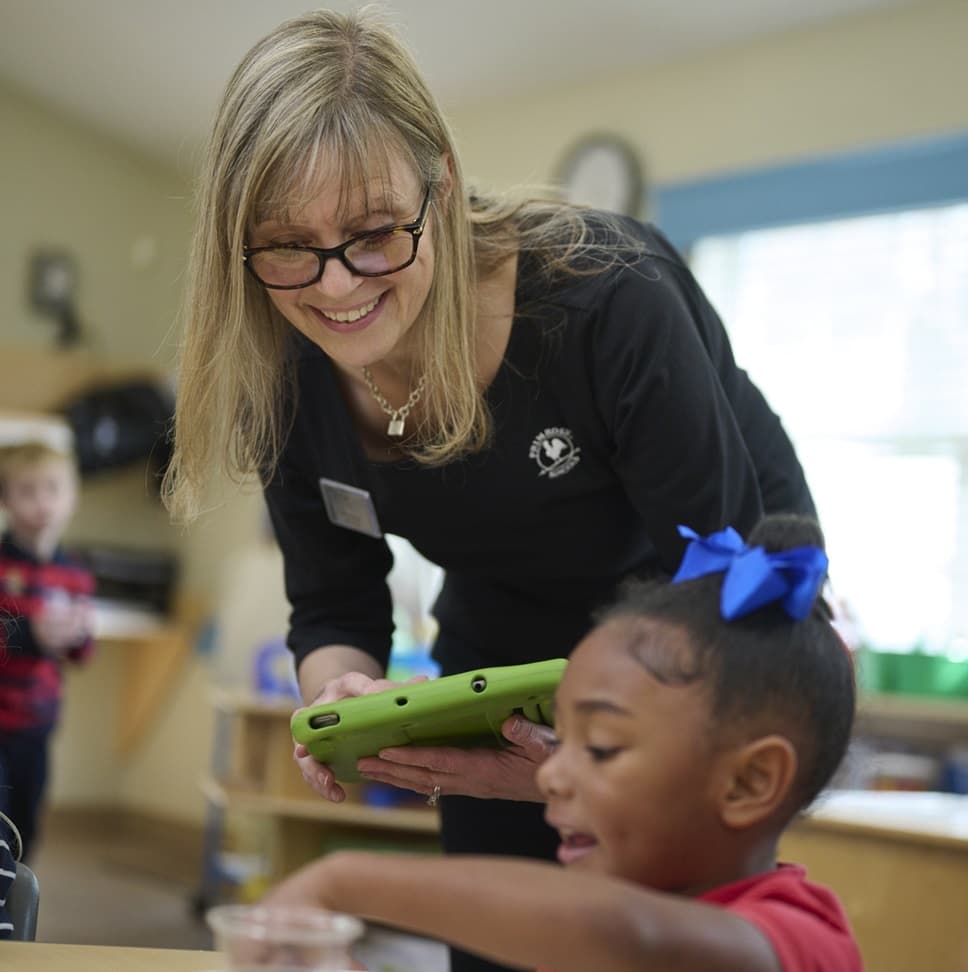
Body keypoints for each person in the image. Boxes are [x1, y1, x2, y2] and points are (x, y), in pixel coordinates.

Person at [163, 10, 816, 970]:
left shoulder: (607, 300)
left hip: (711, 616)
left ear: (445, 186)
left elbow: (711, 594)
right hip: (505, 632)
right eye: (287, 246)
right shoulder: (285, 374)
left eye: (375, 232)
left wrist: (575, 768)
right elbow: (333, 595)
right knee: (499, 939)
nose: (337, 285)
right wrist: (338, 695)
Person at [260, 514, 861, 971]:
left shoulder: (795, 936)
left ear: (748, 783)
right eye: (561, 738)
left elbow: (627, 935)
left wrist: (342, 882)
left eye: (598, 748)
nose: (548, 775)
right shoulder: (607, 904)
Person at [0, 442, 95, 861]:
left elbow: (82, 654)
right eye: (27, 490)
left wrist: (77, 637)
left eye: (52, 489)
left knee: (26, 826)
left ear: (71, 498)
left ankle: (13, 916)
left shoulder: (75, 572)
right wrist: (34, 635)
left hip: (37, 722)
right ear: (5, 499)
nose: (42, 502)